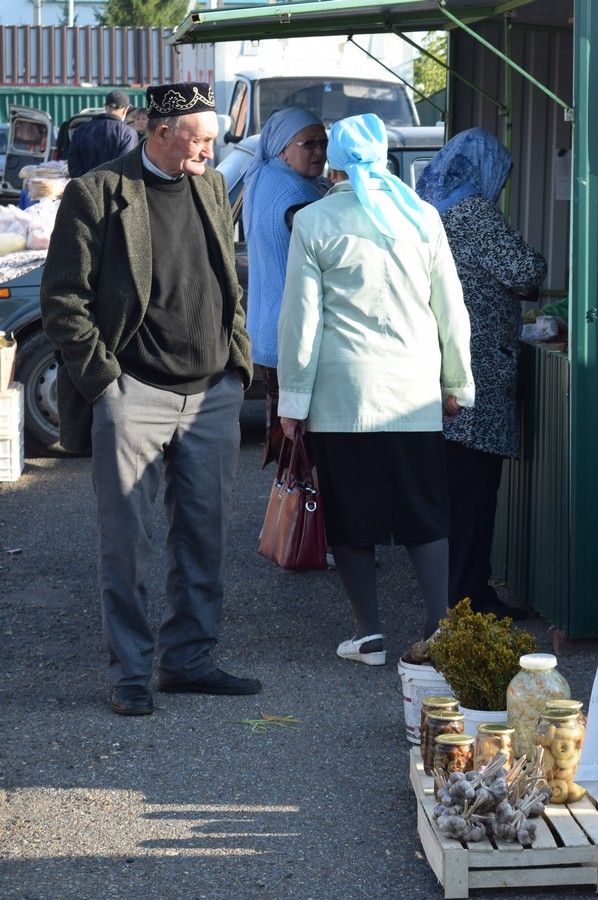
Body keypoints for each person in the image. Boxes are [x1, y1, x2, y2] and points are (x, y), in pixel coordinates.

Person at [40, 81, 259, 717]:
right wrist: (105, 382)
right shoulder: (98, 193)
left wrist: (236, 365)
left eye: (214, 141)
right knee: (126, 542)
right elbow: (62, 300)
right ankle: (131, 674)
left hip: (212, 392)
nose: (210, 153)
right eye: (199, 140)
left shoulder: (212, 187)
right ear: (158, 133)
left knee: (204, 536)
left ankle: (188, 660)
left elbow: (226, 280)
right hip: (133, 392)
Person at [276, 113, 474, 668]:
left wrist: (293, 402)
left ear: (334, 161)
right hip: (414, 394)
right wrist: (456, 383)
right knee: (425, 511)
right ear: (384, 156)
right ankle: (440, 628)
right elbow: (451, 312)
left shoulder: (314, 222)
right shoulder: (423, 217)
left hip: (344, 398)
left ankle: (369, 635)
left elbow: (301, 323)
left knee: (351, 514)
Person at [415, 128, 546, 625]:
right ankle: (467, 599)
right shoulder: (473, 213)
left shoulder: (430, 210)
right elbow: (524, 270)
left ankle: (454, 592)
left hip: (438, 370)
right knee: (472, 494)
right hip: (476, 376)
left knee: (449, 495)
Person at [243, 106, 329, 464]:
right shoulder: (297, 195)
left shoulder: (261, 177)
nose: (319, 152)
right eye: (308, 143)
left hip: (265, 335)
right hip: (293, 339)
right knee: (304, 456)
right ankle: (297, 520)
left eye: (324, 143)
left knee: (289, 451)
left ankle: (290, 516)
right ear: (282, 147)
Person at [65, 90, 139, 178]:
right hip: (113, 189)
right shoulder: (128, 133)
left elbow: (73, 163)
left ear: (106, 107)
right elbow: (126, 167)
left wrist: (84, 183)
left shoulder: (81, 130)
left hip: (84, 188)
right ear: (125, 109)